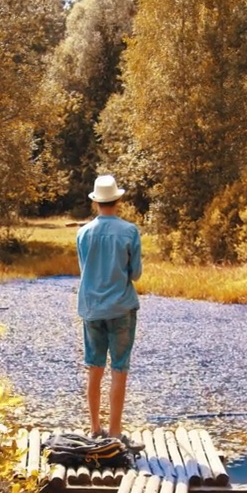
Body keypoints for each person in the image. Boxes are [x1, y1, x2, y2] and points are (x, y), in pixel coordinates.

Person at [76, 175, 142, 441]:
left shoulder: (83, 233)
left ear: (96, 203)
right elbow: (135, 274)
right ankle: (115, 433)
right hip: (121, 308)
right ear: (118, 200)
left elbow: (85, 270)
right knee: (119, 369)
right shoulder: (129, 231)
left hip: (91, 308)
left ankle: (94, 429)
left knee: (93, 367)